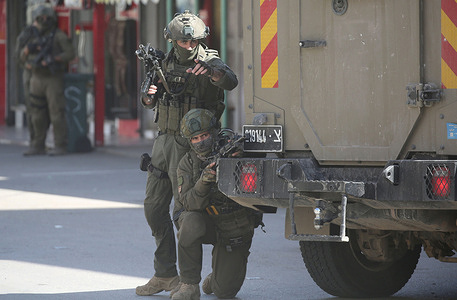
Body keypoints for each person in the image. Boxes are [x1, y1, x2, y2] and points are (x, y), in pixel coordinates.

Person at [135, 10, 238, 296]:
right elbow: (147, 99)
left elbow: (230, 80)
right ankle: (164, 274)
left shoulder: (209, 60)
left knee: (186, 214)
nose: (189, 47)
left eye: (193, 42)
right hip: (164, 142)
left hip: (193, 147)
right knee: (154, 209)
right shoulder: (162, 63)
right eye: (183, 43)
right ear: (172, 41)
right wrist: (148, 95)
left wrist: (213, 72)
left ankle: (188, 279)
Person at [170, 108, 257, 300]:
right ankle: (189, 284)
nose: (200, 141)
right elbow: (189, 203)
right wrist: (204, 181)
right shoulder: (187, 163)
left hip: (232, 223)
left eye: (204, 135)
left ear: (214, 132)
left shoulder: (232, 149)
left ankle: (218, 276)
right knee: (190, 222)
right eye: (195, 138)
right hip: (204, 221)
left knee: (224, 292)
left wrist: (242, 160)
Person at [19, 4, 75, 156]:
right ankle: (37, 144)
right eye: (40, 18)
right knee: (36, 113)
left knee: (56, 112)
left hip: (52, 78)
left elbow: (70, 53)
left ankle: (59, 144)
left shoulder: (58, 35)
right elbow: (20, 56)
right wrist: (27, 52)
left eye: (46, 18)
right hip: (36, 78)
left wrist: (54, 59)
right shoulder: (30, 36)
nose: (43, 20)